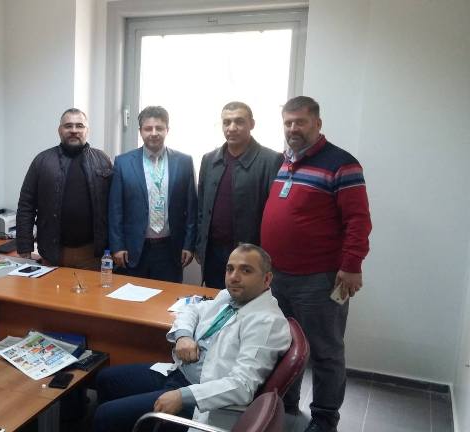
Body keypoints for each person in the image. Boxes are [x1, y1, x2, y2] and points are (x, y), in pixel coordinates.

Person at [261, 96, 372, 432]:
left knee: (325, 352)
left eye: (301, 122)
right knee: (284, 346)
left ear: (317, 124)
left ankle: (324, 419)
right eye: (288, 122)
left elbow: (358, 220)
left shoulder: (342, 164)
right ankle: (286, 406)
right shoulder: (284, 162)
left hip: (319, 279)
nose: (293, 128)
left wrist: (351, 265)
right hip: (278, 277)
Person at [92, 244, 291, 431]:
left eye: (246, 270)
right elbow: (192, 309)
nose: (234, 277)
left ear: (267, 279)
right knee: (105, 379)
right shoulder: (229, 296)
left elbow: (242, 386)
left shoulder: (267, 322)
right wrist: (183, 336)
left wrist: (183, 396)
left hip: (202, 398)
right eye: (230, 269)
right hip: (179, 373)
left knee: (105, 415)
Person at [196, 101, 283, 289]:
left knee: (247, 303)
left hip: (250, 254)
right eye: (226, 122)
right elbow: (201, 207)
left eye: (239, 121)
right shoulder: (209, 159)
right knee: (215, 302)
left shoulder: (271, 160)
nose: (232, 128)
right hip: (213, 252)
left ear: (252, 124)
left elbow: (275, 215)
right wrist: (199, 245)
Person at [108, 106, 197, 282]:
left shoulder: (184, 162)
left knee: (167, 297)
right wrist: (117, 246)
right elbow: (115, 208)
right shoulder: (123, 162)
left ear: (167, 130)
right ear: (140, 131)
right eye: (148, 128)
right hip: (133, 249)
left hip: (170, 249)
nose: (154, 133)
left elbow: (192, 208)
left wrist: (189, 245)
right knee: (131, 296)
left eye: (159, 128)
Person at [16, 108, 113, 269]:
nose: (74, 130)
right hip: (52, 254)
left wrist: (117, 246)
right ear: (59, 130)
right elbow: (26, 206)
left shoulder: (103, 160)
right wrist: (24, 247)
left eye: (79, 126)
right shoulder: (42, 161)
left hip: (92, 255)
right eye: (68, 126)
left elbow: (115, 207)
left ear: (87, 130)